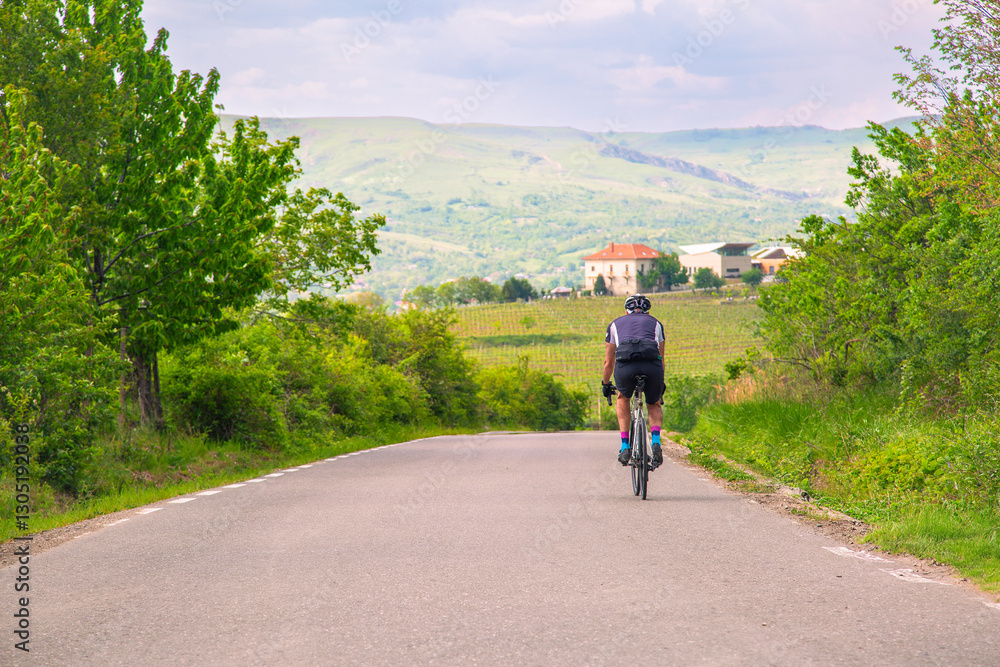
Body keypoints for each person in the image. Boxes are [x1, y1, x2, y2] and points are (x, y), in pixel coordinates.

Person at [601, 293, 665, 468]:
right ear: (647, 310)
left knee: (623, 397)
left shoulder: (614, 324)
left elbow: (608, 361)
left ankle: (625, 446)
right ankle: (656, 441)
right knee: (653, 403)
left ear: (626, 310)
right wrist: (660, 383)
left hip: (626, 367)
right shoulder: (656, 324)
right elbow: (661, 357)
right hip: (652, 367)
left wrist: (606, 384)